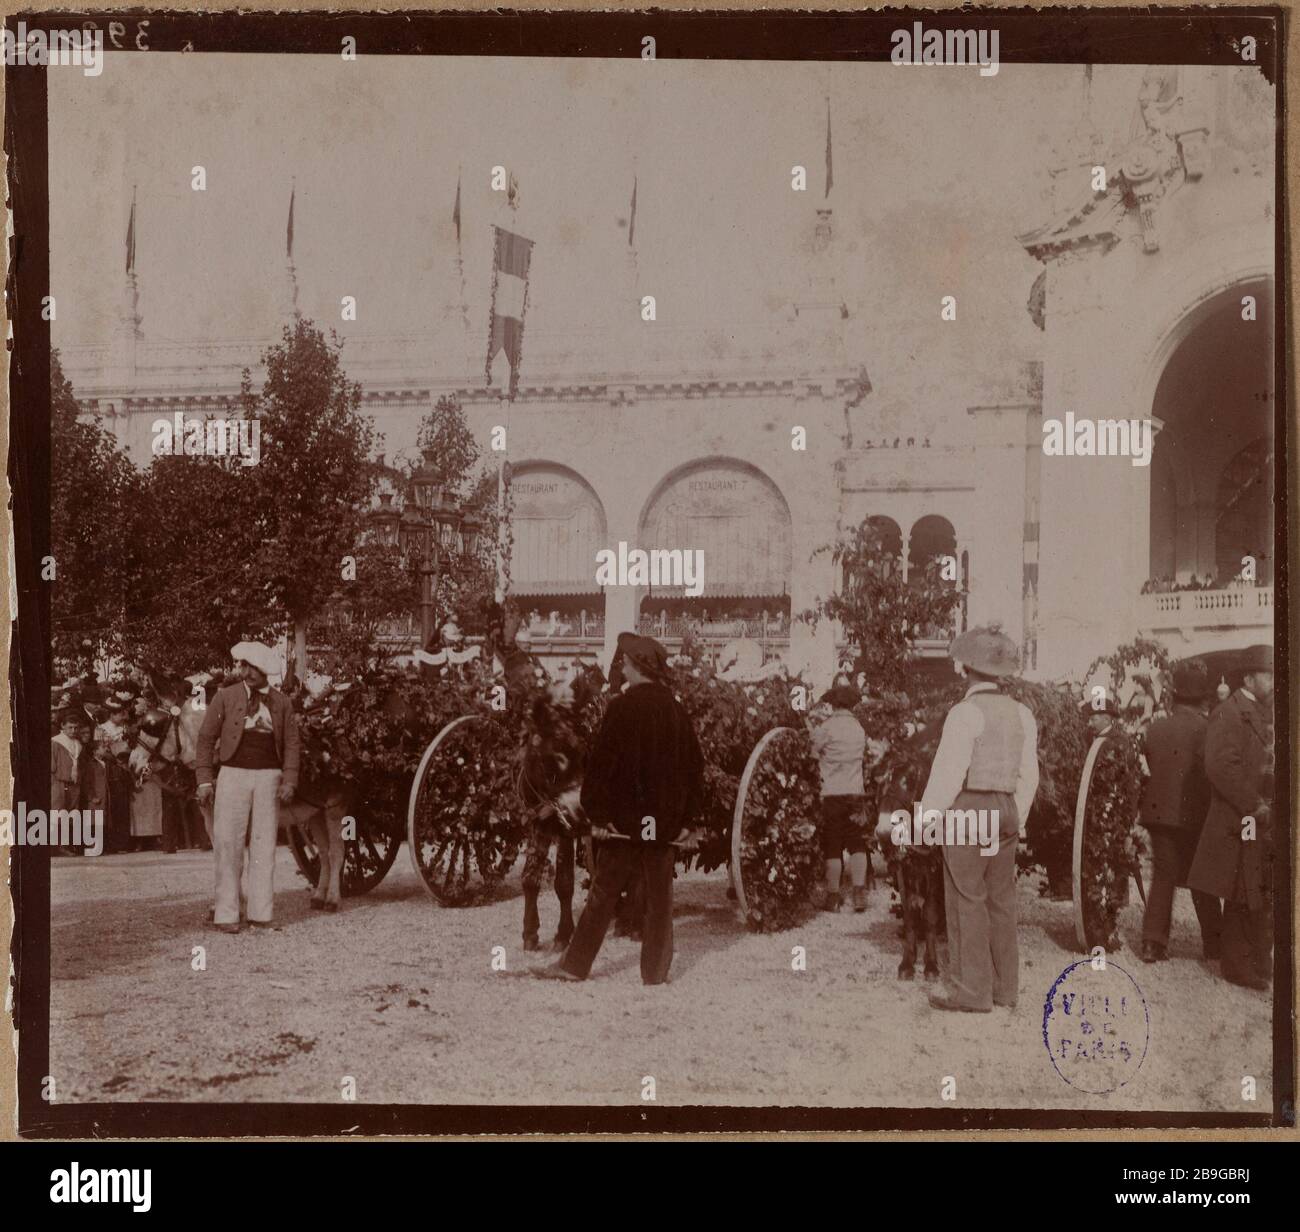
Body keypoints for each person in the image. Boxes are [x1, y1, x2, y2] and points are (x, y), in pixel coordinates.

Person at [535, 633, 704, 985]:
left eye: (626, 663)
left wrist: (596, 815)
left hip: (624, 823)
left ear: (639, 667)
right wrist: (689, 819)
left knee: (603, 894)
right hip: (662, 823)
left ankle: (574, 966)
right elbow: (694, 767)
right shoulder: (676, 710)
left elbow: (602, 766)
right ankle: (655, 973)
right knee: (660, 900)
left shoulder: (622, 708)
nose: (622, 668)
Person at [917, 624, 1039, 1013]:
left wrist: (926, 822)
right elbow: (1029, 774)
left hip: (970, 810)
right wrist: (1017, 816)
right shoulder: (1023, 713)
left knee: (966, 897)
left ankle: (971, 991)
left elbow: (948, 773)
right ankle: (1005, 988)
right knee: (1001, 900)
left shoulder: (964, 713)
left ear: (966, 669)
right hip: (1006, 808)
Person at [196, 641, 299, 933]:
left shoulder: (282, 702)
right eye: (244, 666)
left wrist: (289, 779)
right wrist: (204, 779)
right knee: (227, 843)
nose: (247, 672)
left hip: (269, 777)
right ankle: (227, 914)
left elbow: (292, 743)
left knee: (264, 845)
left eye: (253, 667)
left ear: (265, 670)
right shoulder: (225, 697)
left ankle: (261, 914)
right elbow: (205, 739)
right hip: (232, 775)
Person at [1187, 645, 1275, 990]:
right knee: (1242, 888)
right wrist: (1253, 803)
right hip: (1242, 816)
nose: (1271, 681)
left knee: (1258, 886)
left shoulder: (1260, 711)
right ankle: (1237, 965)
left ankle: (1257, 959)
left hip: (1259, 814)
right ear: (1250, 678)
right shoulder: (1228, 712)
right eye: (1267, 675)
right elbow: (1220, 765)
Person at [1137, 658, 1221, 963]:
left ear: (1174, 696)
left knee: (1163, 876)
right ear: (1202, 699)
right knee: (1203, 877)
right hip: (1195, 813)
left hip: (1159, 813)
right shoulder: (1208, 729)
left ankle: (1152, 943)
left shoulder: (1156, 727)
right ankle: (1214, 943)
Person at [809, 684, 870, 912]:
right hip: (855, 791)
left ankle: (833, 897)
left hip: (832, 792)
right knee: (856, 841)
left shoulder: (827, 727)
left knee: (833, 844)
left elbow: (813, 754)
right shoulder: (858, 729)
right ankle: (859, 894)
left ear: (833, 704)